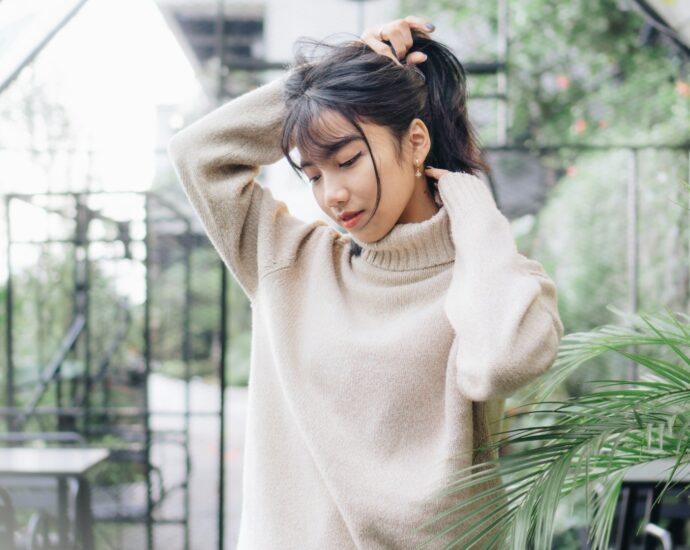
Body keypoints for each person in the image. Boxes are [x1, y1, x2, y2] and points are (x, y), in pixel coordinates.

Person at [168, 15, 564, 549]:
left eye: (347, 160)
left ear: (416, 141)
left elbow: (498, 363)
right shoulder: (290, 263)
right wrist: (326, 83)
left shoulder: (494, 279)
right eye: (312, 174)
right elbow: (198, 154)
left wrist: (474, 209)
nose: (331, 194)